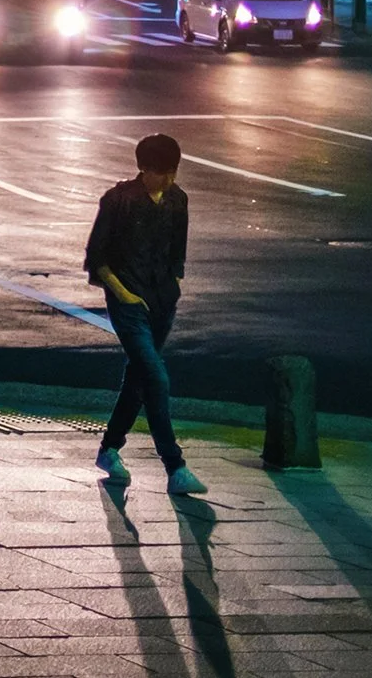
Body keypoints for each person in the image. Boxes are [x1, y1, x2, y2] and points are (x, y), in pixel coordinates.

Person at [84, 133, 205, 496]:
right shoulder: (118, 200)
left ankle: (109, 449)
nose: (168, 180)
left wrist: (174, 286)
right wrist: (123, 295)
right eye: (161, 173)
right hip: (128, 302)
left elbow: (177, 253)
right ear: (143, 168)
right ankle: (175, 467)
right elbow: (97, 258)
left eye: (173, 172)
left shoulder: (178, 200)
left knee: (139, 377)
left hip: (163, 301)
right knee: (156, 377)